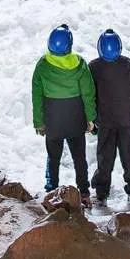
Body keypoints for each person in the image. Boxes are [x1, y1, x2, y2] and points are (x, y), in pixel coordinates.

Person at [32, 23, 97, 194]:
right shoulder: (80, 64)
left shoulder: (43, 65)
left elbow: (37, 96)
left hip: (53, 120)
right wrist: (91, 118)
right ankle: (84, 192)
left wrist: (39, 122)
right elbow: (88, 94)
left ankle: (51, 189)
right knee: (79, 158)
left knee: (53, 158)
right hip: (75, 120)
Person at [90, 29, 130, 205]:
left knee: (105, 157)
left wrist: (93, 117)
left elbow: (91, 95)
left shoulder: (94, 67)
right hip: (126, 119)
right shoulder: (128, 64)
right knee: (129, 155)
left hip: (105, 121)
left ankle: (102, 193)